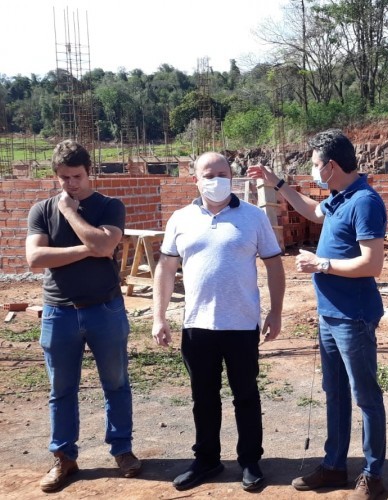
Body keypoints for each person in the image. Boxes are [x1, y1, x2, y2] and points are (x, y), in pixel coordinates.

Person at [248, 129, 388, 500]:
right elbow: (311, 210)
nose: (312, 170)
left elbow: (372, 264)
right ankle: (335, 465)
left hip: (353, 316)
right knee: (335, 392)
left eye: (314, 164)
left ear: (331, 166)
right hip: (330, 315)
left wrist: (320, 264)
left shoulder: (365, 201)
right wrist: (277, 183)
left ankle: (373, 475)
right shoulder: (338, 196)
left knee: (364, 395)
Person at [151, 152, 285, 492]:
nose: (216, 179)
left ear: (232, 175)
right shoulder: (181, 219)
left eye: (222, 173)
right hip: (197, 326)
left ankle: (250, 461)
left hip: (241, 324)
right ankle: (207, 460)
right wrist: (159, 316)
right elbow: (166, 269)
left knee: (246, 394)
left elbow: (274, 266)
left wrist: (275, 312)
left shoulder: (253, 217)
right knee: (203, 397)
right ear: (195, 178)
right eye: (208, 174)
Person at [26, 140, 141, 492]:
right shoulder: (41, 210)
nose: (70, 184)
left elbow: (106, 246)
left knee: (116, 382)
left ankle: (122, 450)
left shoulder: (109, 206)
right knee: (61, 389)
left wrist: (71, 213)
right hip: (58, 312)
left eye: (76, 177)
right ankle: (64, 458)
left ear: (89, 172)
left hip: (104, 309)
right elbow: (35, 259)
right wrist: (88, 248)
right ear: (55, 175)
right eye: (63, 178)